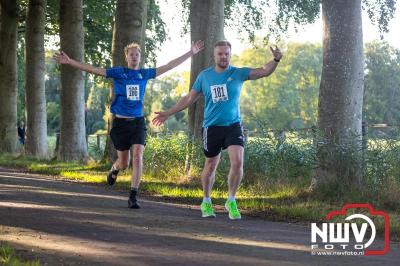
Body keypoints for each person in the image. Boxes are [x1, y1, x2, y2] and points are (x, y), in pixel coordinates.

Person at [54, 40, 204, 209]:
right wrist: (70, 61)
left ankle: (133, 195)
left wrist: (191, 52)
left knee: (138, 156)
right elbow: (94, 70)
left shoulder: (144, 74)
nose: (134, 57)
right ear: (126, 57)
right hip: (120, 123)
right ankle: (115, 168)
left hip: (138, 122)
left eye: (137, 54)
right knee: (124, 163)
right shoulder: (119, 72)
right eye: (131, 54)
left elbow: (169, 65)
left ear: (140, 57)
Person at [152, 40, 282, 220]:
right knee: (211, 165)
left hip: (233, 125)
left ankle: (231, 200)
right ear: (214, 56)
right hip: (212, 127)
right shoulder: (204, 76)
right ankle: (206, 200)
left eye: (226, 53)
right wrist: (168, 112)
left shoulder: (238, 73)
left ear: (230, 54)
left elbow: (264, 71)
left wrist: (275, 60)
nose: (224, 57)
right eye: (220, 54)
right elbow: (189, 99)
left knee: (237, 162)